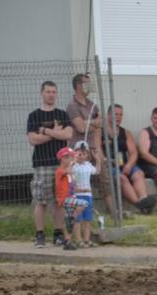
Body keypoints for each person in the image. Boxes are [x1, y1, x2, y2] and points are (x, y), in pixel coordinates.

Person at [27, 81, 73, 248]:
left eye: (54, 92)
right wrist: (55, 133)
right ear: (42, 93)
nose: (51, 95)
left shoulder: (62, 114)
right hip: (42, 164)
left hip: (61, 165)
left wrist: (45, 131)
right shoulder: (34, 116)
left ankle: (58, 234)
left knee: (60, 200)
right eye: (48, 91)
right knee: (41, 201)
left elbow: (68, 134)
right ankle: (40, 235)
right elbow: (33, 139)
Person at [66, 73, 116, 217]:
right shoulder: (72, 106)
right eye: (86, 83)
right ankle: (79, 215)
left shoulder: (92, 105)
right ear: (78, 86)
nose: (90, 85)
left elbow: (101, 127)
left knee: (105, 181)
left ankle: (114, 213)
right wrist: (94, 123)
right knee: (79, 183)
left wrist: (99, 150)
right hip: (79, 152)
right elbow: (81, 128)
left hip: (93, 149)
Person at [105, 104, 156, 214]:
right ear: (108, 115)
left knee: (139, 174)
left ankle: (144, 199)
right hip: (109, 165)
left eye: (120, 115)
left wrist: (129, 165)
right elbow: (98, 152)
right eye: (115, 114)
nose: (118, 117)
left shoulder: (126, 133)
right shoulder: (101, 132)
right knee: (122, 178)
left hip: (124, 163)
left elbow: (133, 153)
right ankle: (140, 205)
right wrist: (107, 161)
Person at [53, 146, 87, 251]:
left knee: (68, 221)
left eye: (71, 157)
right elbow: (66, 171)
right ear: (61, 159)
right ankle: (73, 218)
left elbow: (72, 187)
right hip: (65, 200)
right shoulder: (59, 171)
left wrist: (82, 190)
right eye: (67, 157)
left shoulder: (69, 173)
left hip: (70, 198)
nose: (70, 159)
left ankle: (67, 241)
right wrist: (73, 161)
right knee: (83, 204)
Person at [71, 140, 100, 248]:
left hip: (88, 195)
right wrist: (73, 160)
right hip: (77, 196)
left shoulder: (88, 165)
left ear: (87, 154)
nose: (81, 156)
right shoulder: (73, 166)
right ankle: (78, 240)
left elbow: (97, 171)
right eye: (79, 153)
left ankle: (86, 240)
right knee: (78, 219)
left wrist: (98, 160)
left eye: (84, 153)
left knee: (88, 219)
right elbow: (69, 171)